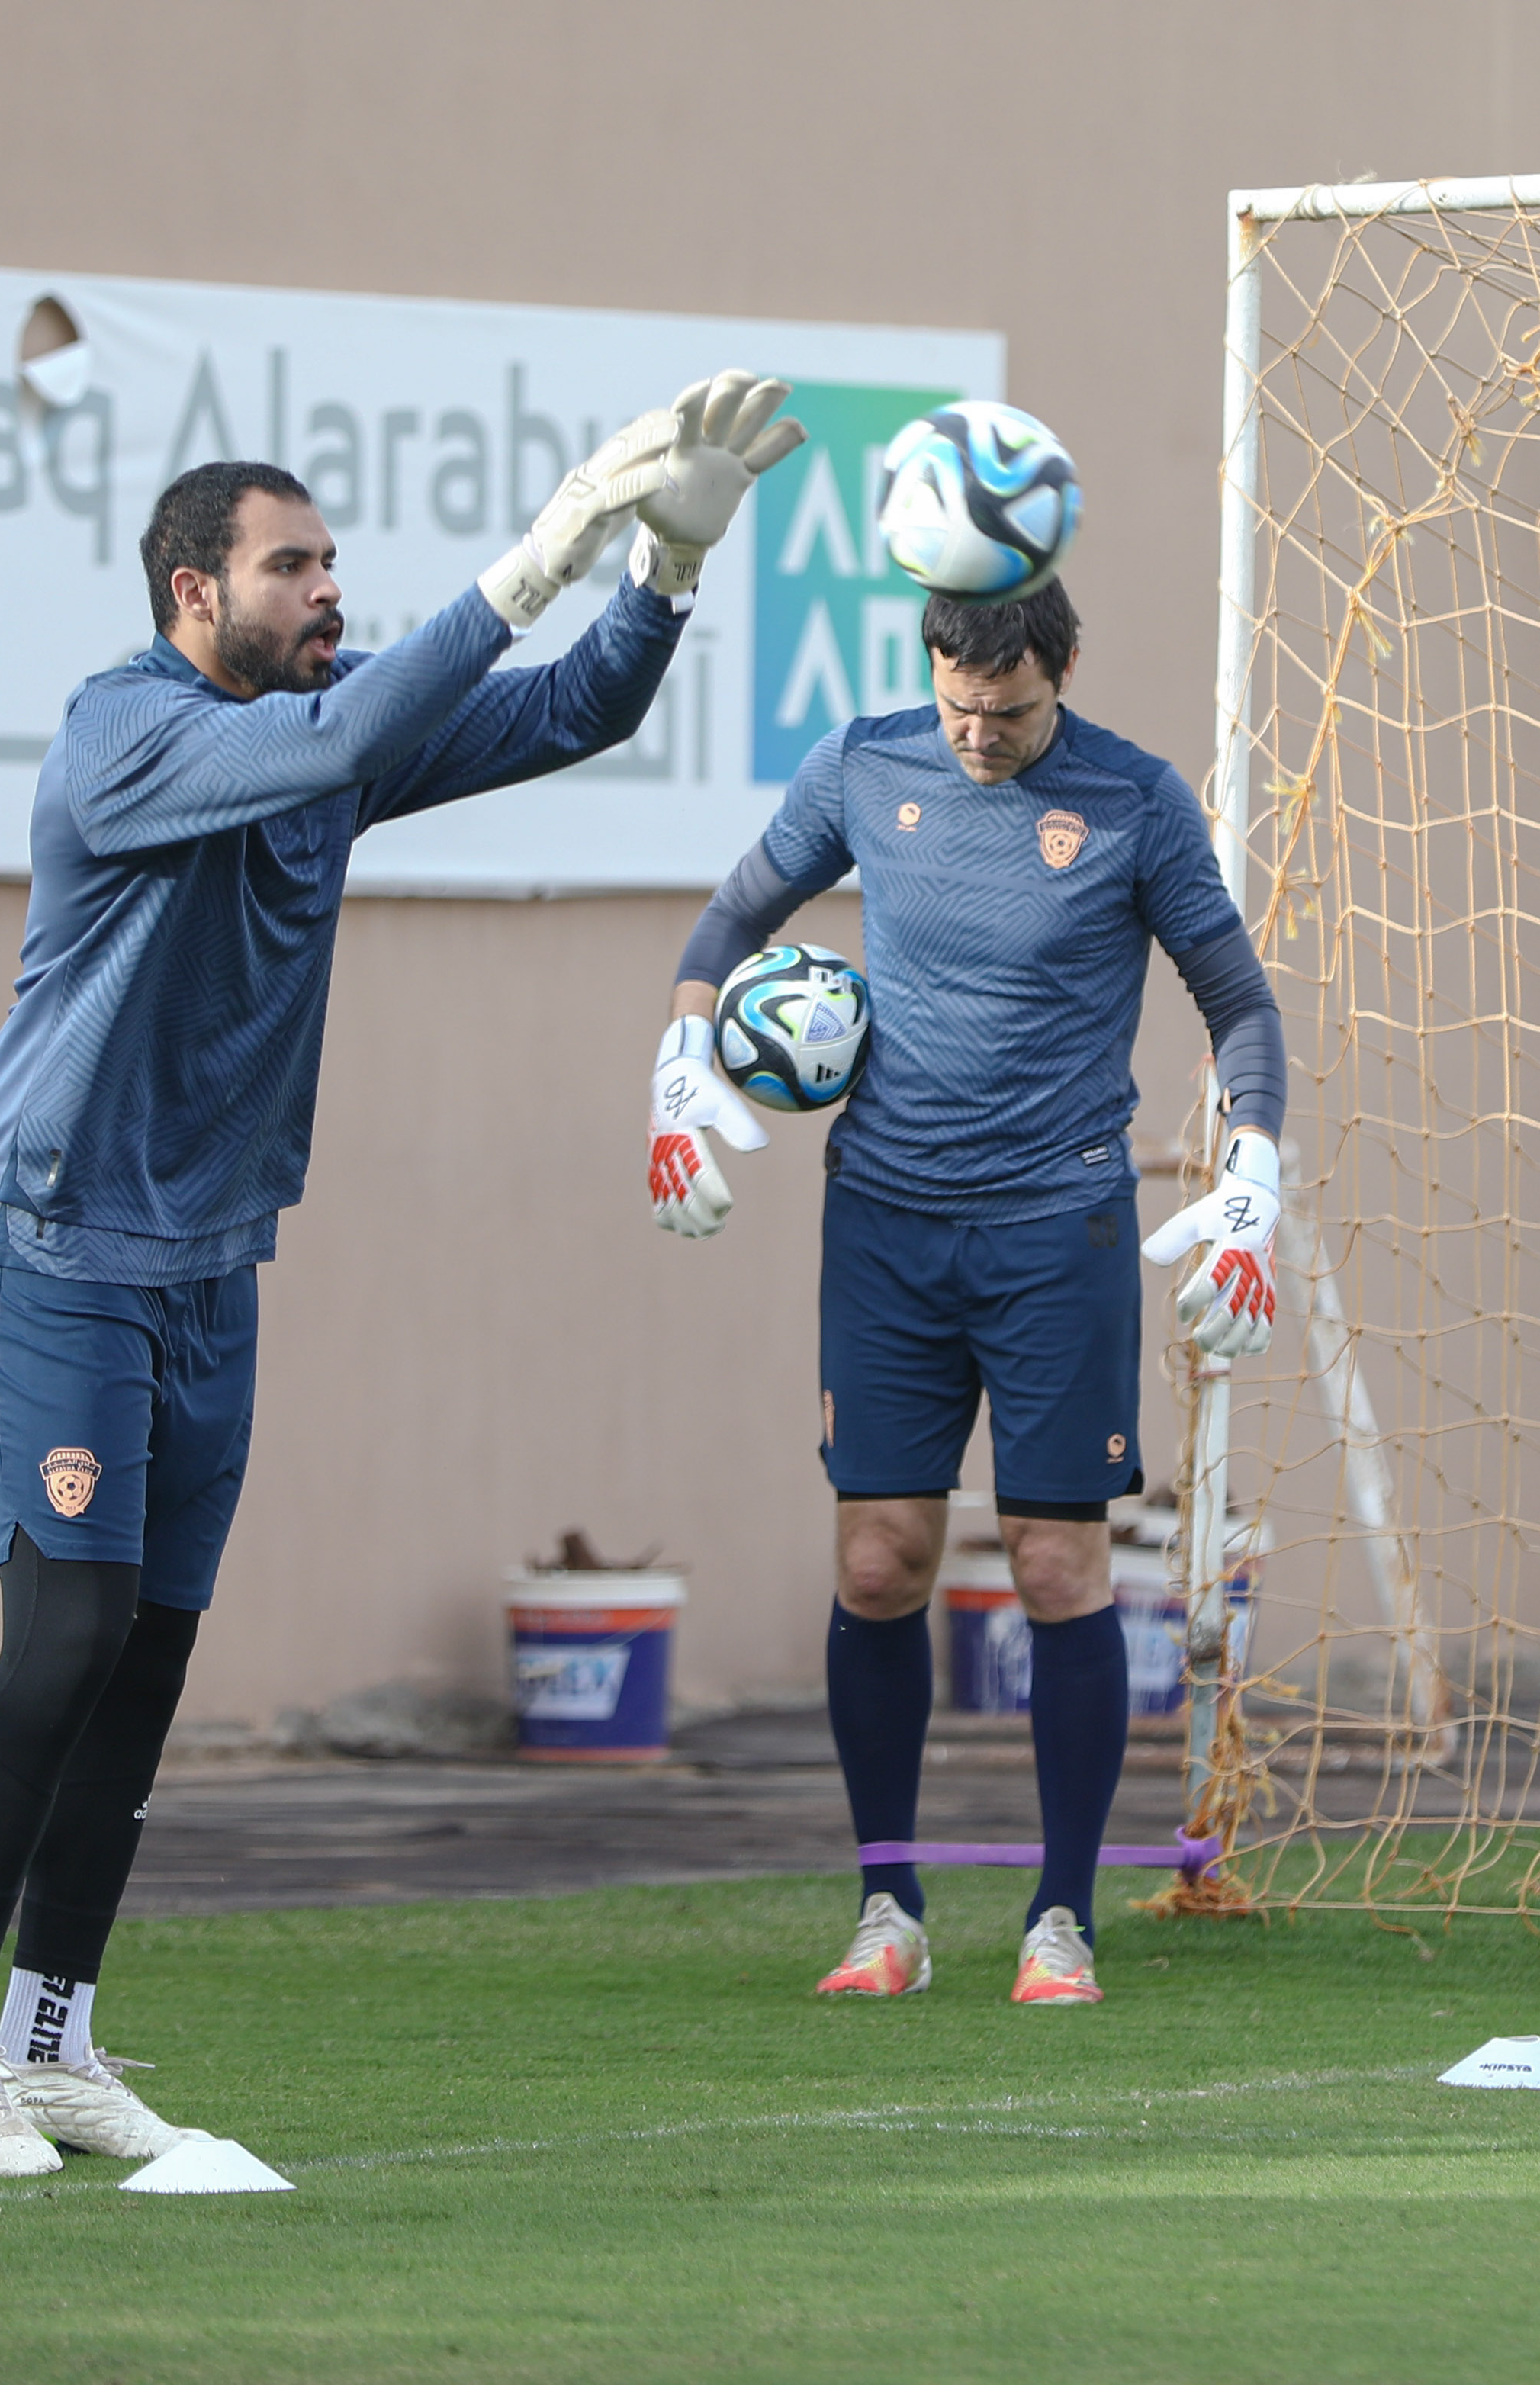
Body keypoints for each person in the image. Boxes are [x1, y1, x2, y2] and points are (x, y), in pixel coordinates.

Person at [0, 375, 805, 2177]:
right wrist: (539, 550)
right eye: (288, 564)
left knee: (144, 1658)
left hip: (211, 1265)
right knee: (62, 1636)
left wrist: (663, 571)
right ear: (189, 596)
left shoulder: (326, 728)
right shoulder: (127, 732)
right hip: (51, 1244)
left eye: (330, 562)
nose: (322, 589)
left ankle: (53, 2034)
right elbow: (323, 748)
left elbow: (574, 718)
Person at [648, 577, 1286, 2007]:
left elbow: (1237, 999)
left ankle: (1063, 1916)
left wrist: (1254, 1169)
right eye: (958, 705)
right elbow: (733, 916)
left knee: (1057, 1568)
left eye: (1007, 710)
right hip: (884, 1221)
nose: (980, 733)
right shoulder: (867, 765)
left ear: (1063, 670)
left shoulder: (1134, 800)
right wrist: (681, 1061)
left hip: (1057, 1223)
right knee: (878, 1562)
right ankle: (889, 1908)